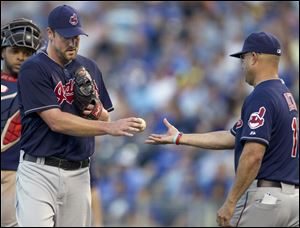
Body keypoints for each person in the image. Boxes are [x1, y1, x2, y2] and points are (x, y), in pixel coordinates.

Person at [146, 31, 299, 227]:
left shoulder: (263, 95)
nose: (242, 65)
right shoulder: (285, 95)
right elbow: (232, 137)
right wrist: (180, 138)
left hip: (266, 200)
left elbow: (253, 154)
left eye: (243, 58)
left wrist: (231, 200)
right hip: (293, 199)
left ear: (253, 58)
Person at [16, 4, 143, 227]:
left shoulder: (89, 67)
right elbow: (56, 121)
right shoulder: (33, 68)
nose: (73, 42)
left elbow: (104, 118)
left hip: (79, 173)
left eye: (77, 36)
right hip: (39, 171)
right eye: (66, 36)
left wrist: (99, 113)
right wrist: (108, 127)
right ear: (50, 34)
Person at [1, 18, 42, 227]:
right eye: (15, 50)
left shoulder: (39, 88)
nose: (20, 57)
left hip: (17, 173)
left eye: (27, 53)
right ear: (2, 51)